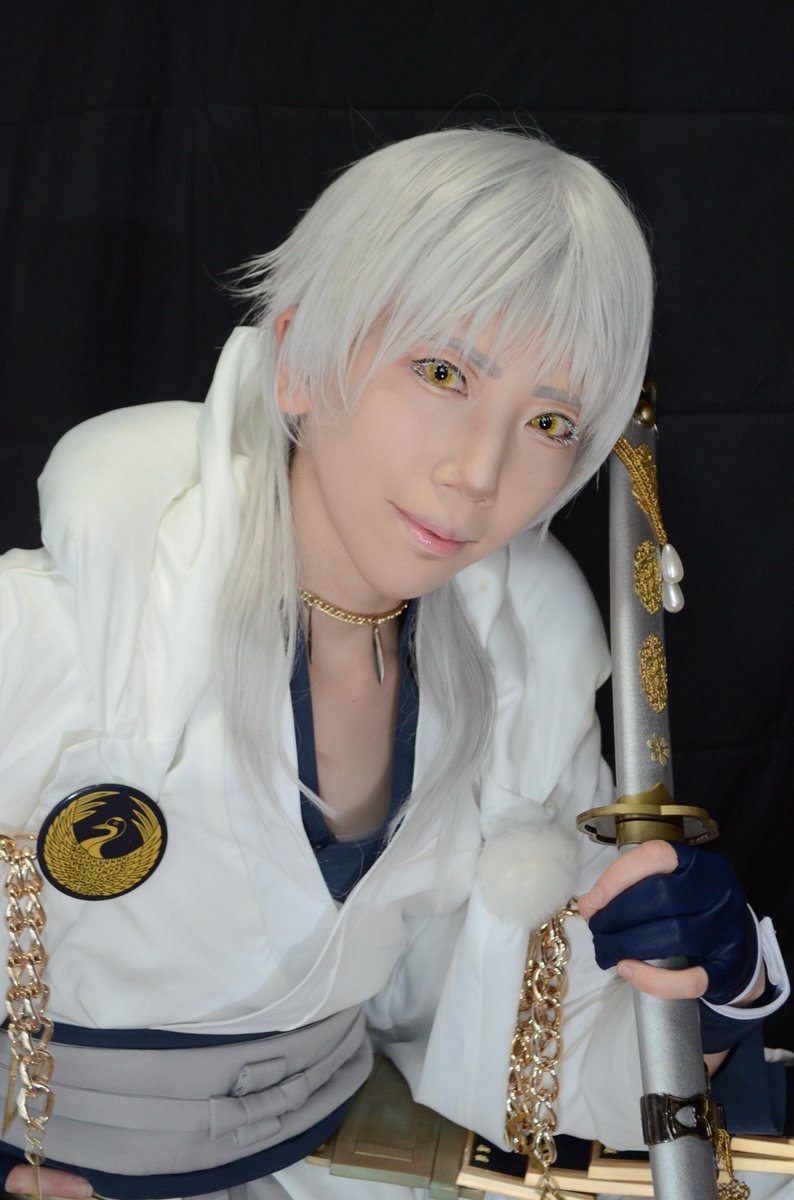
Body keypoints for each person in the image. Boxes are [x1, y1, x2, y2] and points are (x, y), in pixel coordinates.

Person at [0, 128, 788, 1200]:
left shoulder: (520, 681)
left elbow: (543, 1070)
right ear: (297, 361)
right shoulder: (44, 632)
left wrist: (723, 985)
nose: (478, 472)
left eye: (549, 420)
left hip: (341, 1168)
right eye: (441, 372)